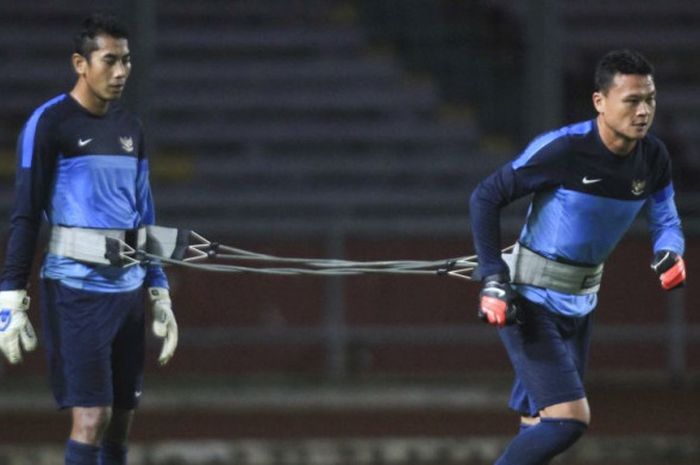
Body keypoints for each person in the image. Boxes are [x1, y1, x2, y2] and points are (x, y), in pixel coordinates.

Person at [469, 49, 686, 465]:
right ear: (599, 102)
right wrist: (493, 278)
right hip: (529, 301)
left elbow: (665, 217)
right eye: (632, 101)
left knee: (538, 423)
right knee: (568, 420)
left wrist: (670, 251)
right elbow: (486, 196)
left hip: (581, 304)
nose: (643, 111)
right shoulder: (564, 150)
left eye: (650, 100)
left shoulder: (653, 156)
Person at [0, 13, 178, 465]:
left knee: (120, 422)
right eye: (109, 61)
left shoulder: (130, 129)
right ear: (80, 63)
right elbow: (25, 215)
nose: (120, 72)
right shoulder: (50, 124)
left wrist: (158, 289)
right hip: (76, 292)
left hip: (128, 293)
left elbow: (145, 213)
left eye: (127, 61)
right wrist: (9, 298)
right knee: (91, 418)